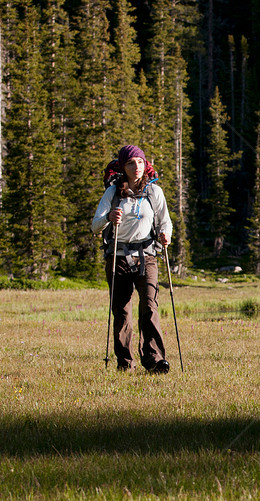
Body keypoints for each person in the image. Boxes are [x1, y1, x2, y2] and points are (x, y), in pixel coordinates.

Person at [92, 145, 173, 374]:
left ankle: (155, 360)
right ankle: (125, 363)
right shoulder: (112, 193)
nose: (136, 167)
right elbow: (95, 226)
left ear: (144, 164)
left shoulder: (154, 191)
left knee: (150, 305)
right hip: (117, 256)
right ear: (122, 167)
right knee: (122, 311)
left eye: (139, 162)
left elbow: (165, 221)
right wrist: (109, 217)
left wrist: (166, 235)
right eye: (130, 163)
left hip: (146, 255)